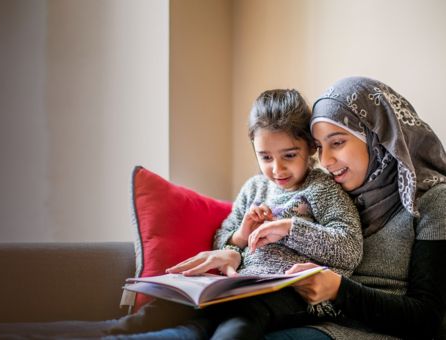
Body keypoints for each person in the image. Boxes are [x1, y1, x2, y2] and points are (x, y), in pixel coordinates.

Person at [104, 89, 363, 339]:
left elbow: (350, 249)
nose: (277, 168)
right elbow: (222, 238)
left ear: (309, 148)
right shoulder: (254, 188)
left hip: (296, 292)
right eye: (265, 157)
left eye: (289, 155)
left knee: (242, 318)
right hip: (243, 285)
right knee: (168, 307)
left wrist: (289, 229)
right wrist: (240, 235)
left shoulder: (322, 188)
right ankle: (108, 333)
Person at [266, 76, 446, 339]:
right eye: (319, 147)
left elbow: (428, 319)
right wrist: (235, 250)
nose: (325, 161)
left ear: (378, 137)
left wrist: (339, 290)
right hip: (313, 320)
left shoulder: (434, 200)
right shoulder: (335, 193)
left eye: (337, 142)